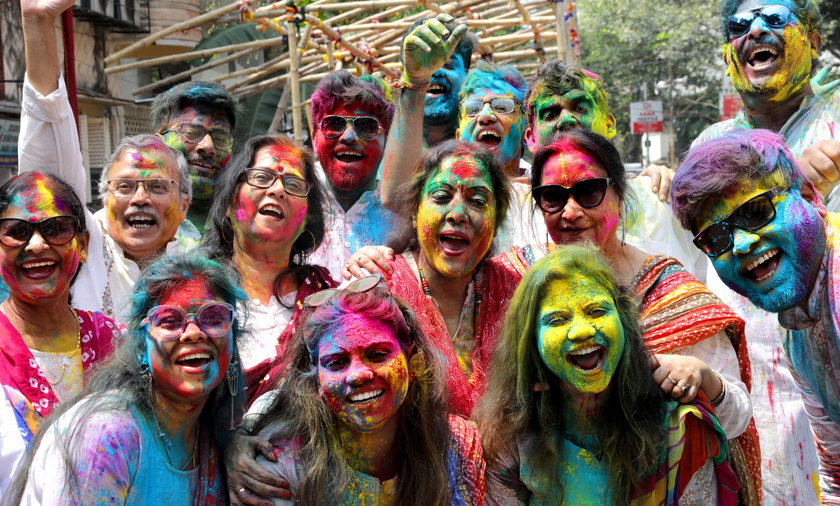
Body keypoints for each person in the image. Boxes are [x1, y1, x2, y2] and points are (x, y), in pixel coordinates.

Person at [511, 129, 762, 502]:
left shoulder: (668, 288)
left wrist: (705, 378)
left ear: (619, 194)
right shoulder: (518, 280)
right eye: (552, 197)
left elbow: (737, 418)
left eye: (589, 191)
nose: (571, 212)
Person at [475, 245, 738, 504]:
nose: (581, 331)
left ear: (624, 320)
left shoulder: (680, 427)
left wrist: (706, 375)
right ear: (531, 341)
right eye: (557, 320)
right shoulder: (510, 436)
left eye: (597, 311)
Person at [671, 128, 840, 501]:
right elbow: (835, 465)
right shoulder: (794, 328)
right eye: (717, 238)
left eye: (756, 212)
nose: (744, 243)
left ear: (810, 196)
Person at [5, 254, 244, 504]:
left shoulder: (214, 429)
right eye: (169, 321)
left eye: (213, 317)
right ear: (140, 348)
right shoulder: (105, 434)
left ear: (233, 341)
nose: (193, 334)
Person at [249, 278, 485, 505]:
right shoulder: (280, 463)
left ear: (413, 363)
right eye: (337, 362)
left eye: (378, 355)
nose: (359, 375)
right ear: (317, 383)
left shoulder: (457, 444)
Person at [20, 0, 238, 232]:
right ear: (159, 143)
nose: (208, 146)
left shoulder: (247, 229)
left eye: (220, 138)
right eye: (191, 133)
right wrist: (37, 22)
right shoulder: (110, 236)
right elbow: (49, 178)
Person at [0, 172, 123, 496]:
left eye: (56, 229)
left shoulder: (117, 343)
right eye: (16, 232)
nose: (37, 245)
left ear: (82, 245)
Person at [201, 134, 336, 400]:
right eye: (261, 178)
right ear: (230, 202)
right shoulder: (198, 294)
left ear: (308, 216)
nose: (277, 190)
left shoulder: (327, 299)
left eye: (294, 184)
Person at [694, 0, 840, 212]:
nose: (755, 30)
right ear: (728, 58)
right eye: (739, 24)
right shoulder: (709, 146)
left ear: (812, 45)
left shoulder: (835, 118)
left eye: (776, 17)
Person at [307, 70, 403, 278]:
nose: (349, 136)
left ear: (386, 142)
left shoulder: (402, 213)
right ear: (314, 138)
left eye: (366, 126)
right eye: (334, 124)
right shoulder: (295, 204)